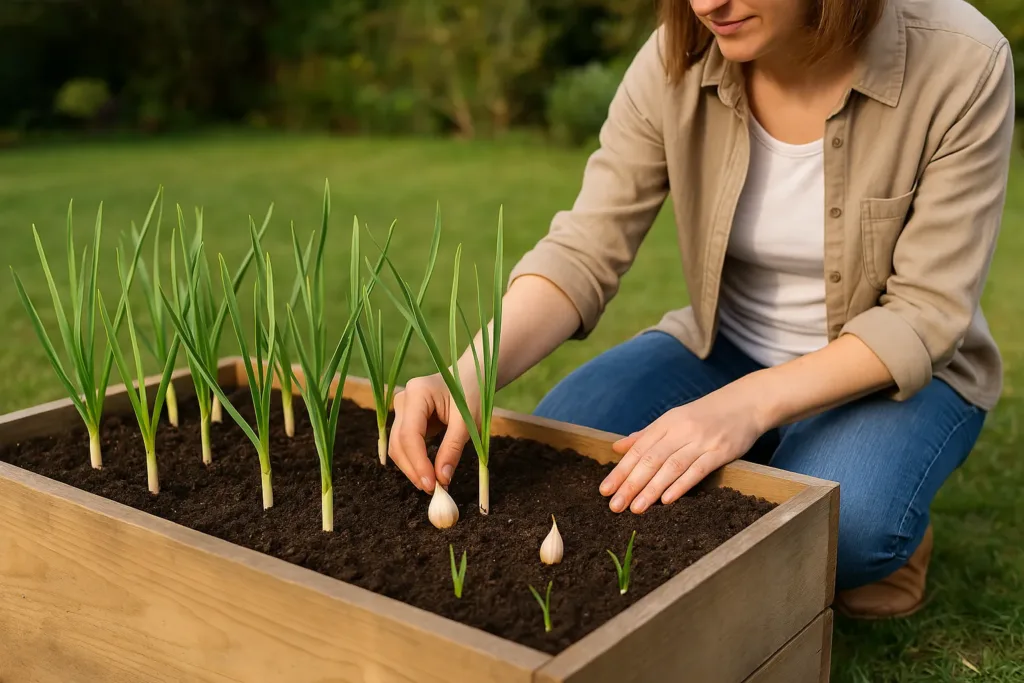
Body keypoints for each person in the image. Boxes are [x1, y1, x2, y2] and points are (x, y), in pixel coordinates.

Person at [386, 0, 1016, 619]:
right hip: (724, 346)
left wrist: (742, 409)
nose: (709, 3)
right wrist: (470, 370)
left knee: (840, 528)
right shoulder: (675, 54)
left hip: (890, 375)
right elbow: (585, 247)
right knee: (569, 458)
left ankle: (869, 511)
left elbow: (924, 314)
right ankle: (777, 456)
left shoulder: (962, 59)